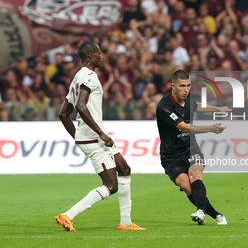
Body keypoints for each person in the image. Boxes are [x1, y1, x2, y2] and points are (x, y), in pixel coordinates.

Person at [55, 41, 145, 231]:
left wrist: (78, 137)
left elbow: (63, 114)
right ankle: (67, 215)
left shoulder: (77, 78)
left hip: (88, 136)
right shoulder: (90, 76)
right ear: (90, 56)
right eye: (98, 53)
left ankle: (126, 223)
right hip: (94, 137)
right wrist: (100, 134)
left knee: (125, 169)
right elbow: (81, 106)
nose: (102, 56)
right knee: (111, 185)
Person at [156, 69, 231, 225]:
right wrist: (210, 128)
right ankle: (216, 215)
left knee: (195, 175)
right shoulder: (164, 106)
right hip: (171, 155)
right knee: (187, 187)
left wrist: (218, 109)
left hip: (191, 148)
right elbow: (184, 127)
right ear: (173, 86)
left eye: (188, 85)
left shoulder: (189, 97)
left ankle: (201, 211)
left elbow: (196, 106)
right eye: (182, 86)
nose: (186, 90)